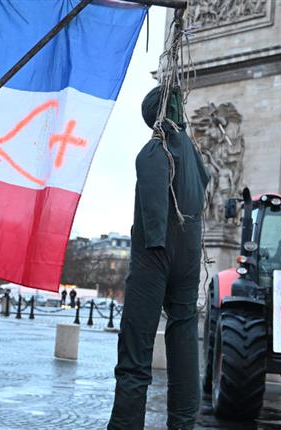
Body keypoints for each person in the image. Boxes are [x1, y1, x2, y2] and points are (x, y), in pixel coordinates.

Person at [108, 86, 209, 430]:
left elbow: (153, 205)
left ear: (154, 117)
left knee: (136, 348)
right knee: (183, 346)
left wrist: (154, 240)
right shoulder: (194, 156)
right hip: (190, 257)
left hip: (156, 255)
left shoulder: (155, 150)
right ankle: (183, 424)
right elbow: (205, 183)